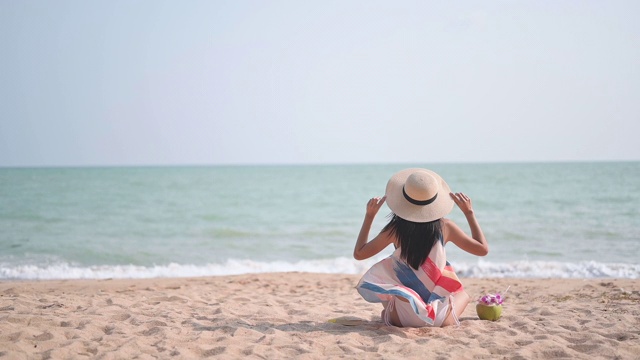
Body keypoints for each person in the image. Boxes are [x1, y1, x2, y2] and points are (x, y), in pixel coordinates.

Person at [353, 168, 488, 327]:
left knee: (391, 291)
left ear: (403, 200)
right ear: (434, 201)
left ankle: (394, 312)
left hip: (402, 318)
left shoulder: (395, 229)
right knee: (463, 295)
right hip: (439, 319)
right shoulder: (446, 227)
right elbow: (482, 249)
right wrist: (469, 213)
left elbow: (359, 253)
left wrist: (369, 217)